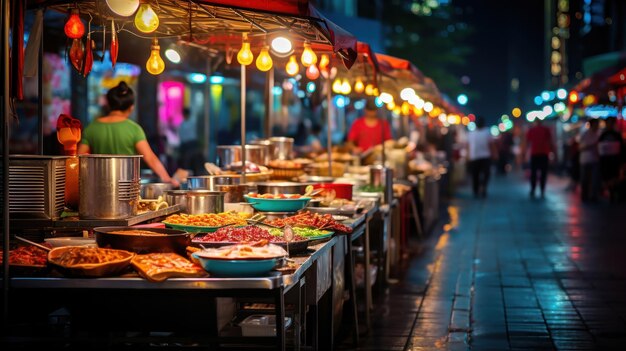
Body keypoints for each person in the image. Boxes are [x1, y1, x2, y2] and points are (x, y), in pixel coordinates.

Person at [78, 81, 179, 187]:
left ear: (108, 104)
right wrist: (167, 179)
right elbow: (150, 157)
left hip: (98, 187)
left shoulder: (91, 128)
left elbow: (79, 159)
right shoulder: (134, 129)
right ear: (131, 107)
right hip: (126, 189)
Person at [525, 119, 554, 199]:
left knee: (533, 173)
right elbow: (550, 142)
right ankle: (542, 190)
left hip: (534, 154)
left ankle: (533, 189)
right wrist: (553, 152)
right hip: (544, 154)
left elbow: (527, 142)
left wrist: (524, 154)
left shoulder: (531, 130)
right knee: (543, 173)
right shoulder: (546, 129)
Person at [467, 117, 495, 198]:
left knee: (485, 174)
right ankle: (476, 190)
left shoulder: (487, 132)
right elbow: (468, 146)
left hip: (485, 156)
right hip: (475, 157)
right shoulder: (471, 133)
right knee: (475, 175)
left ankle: (483, 188)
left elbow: (491, 145)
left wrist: (494, 153)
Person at [598, 117, 623, 201]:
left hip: (615, 159)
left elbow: (622, 147)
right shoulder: (603, 134)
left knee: (614, 177)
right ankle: (611, 193)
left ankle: (614, 193)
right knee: (607, 177)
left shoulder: (616, 134)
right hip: (605, 160)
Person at [579, 118, 600, 202]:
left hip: (595, 160)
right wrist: (591, 145)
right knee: (585, 179)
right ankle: (585, 196)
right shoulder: (585, 134)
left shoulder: (598, 135)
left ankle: (594, 196)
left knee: (595, 180)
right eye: (596, 124)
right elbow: (580, 147)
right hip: (585, 160)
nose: (597, 126)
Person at [178, 108, 204, 176]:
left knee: (192, 163)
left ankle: (193, 176)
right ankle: (188, 176)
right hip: (188, 145)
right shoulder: (184, 124)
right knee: (188, 163)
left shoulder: (190, 123)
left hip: (191, 144)